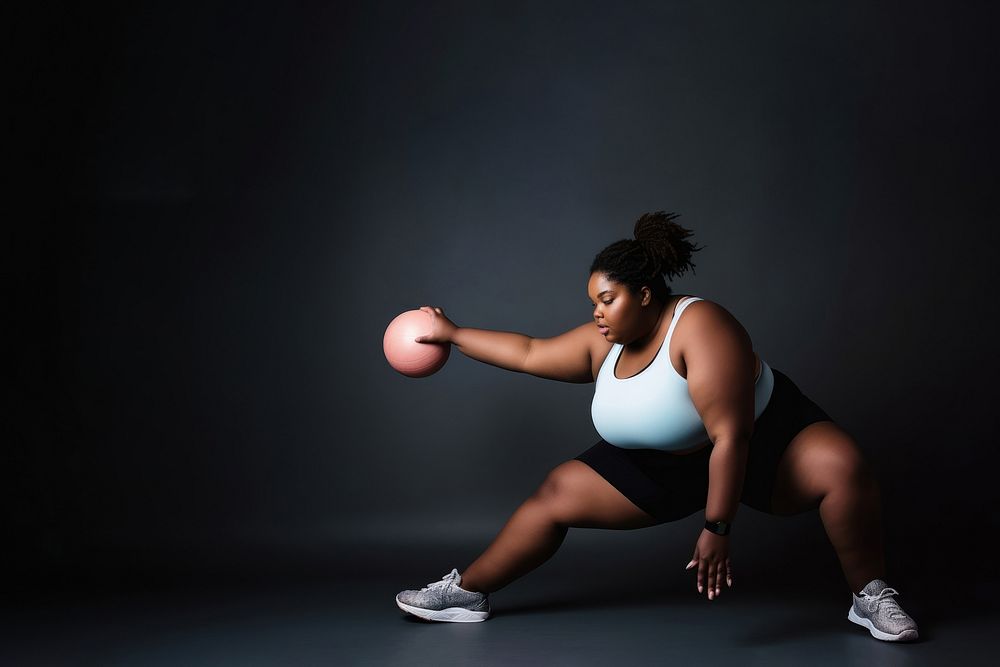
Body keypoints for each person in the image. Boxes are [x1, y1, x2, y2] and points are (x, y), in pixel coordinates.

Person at [394, 211, 919, 642]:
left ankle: (870, 596)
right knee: (555, 492)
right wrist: (454, 333)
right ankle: (468, 592)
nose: (598, 314)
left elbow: (731, 436)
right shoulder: (606, 339)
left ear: (645, 295)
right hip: (664, 466)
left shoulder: (702, 326)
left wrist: (717, 527)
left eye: (608, 300)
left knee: (842, 466)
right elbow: (531, 352)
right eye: (593, 303)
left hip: (761, 442)